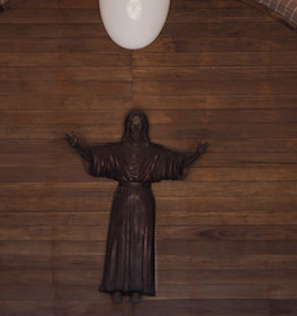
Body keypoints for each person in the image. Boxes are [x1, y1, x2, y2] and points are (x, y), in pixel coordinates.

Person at [66, 110, 208, 301]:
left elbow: (177, 163)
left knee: (141, 243)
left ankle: (137, 288)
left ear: (144, 127)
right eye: (132, 125)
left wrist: (196, 154)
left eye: (139, 125)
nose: (135, 129)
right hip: (123, 199)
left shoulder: (154, 153)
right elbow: (94, 157)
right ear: (127, 127)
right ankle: (115, 286)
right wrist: (77, 147)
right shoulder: (116, 151)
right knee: (119, 242)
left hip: (143, 200)